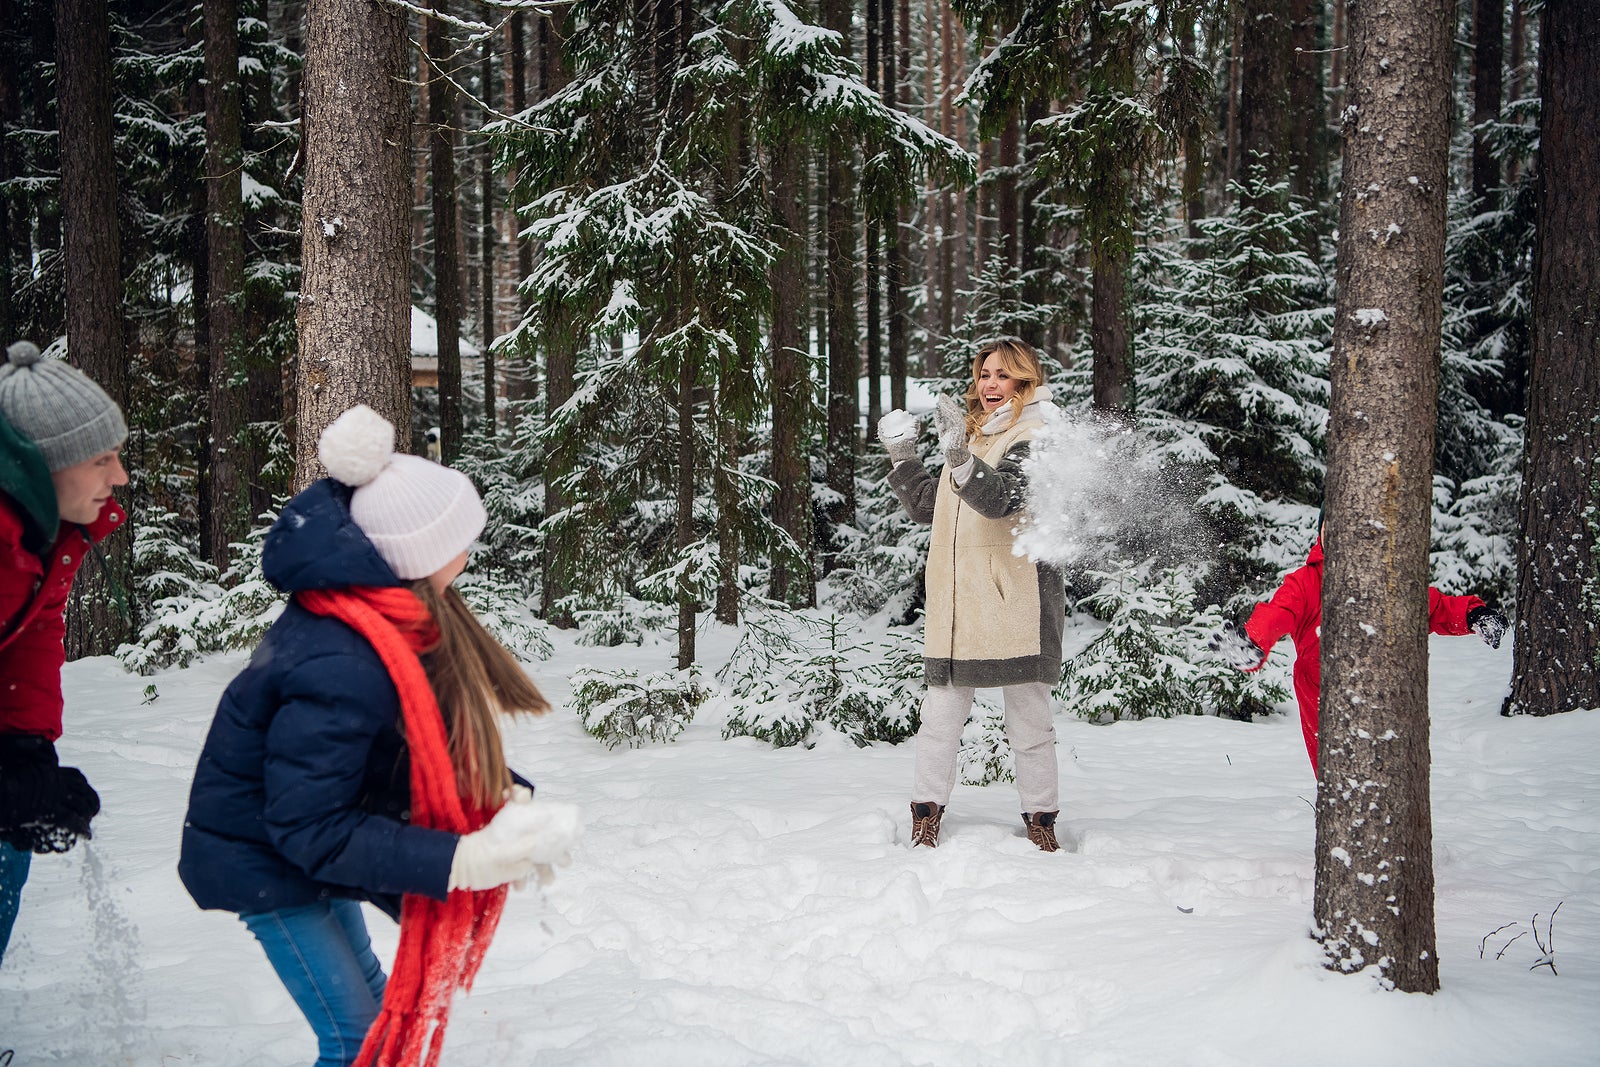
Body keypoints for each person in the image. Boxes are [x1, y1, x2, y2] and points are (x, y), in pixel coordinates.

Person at [179, 404, 576, 1067]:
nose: (470, 552)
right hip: (266, 859)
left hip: (300, 849)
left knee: (373, 1017)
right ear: (416, 555)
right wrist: (461, 860)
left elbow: (393, 756)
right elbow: (308, 824)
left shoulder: (390, 626)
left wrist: (503, 801)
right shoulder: (343, 655)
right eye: (459, 537)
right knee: (356, 1040)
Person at [878, 337, 1067, 851]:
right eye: (985, 374)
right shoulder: (972, 435)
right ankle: (925, 815)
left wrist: (960, 457)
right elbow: (926, 506)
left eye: (1003, 375)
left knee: (1029, 722)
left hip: (1016, 603)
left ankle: (1041, 822)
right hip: (959, 603)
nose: (990, 385)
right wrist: (903, 456)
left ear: (1025, 382)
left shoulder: (1037, 436)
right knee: (938, 720)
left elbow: (1003, 499)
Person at [0, 339, 128, 967]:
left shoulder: (48, 534)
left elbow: (33, 636)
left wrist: (25, 748)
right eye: (103, 459)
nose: (120, 478)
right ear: (43, 464)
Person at [1209, 519, 1509, 773]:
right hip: (1321, 689)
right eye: (1330, 526)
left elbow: (1431, 606)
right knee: (1335, 768)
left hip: (1378, 686)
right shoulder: (1306, 582)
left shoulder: (1379, 579)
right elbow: (1279, 612)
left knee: (1384, 765)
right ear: (1321, 532)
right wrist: (1253, 639)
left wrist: (1474, 614)